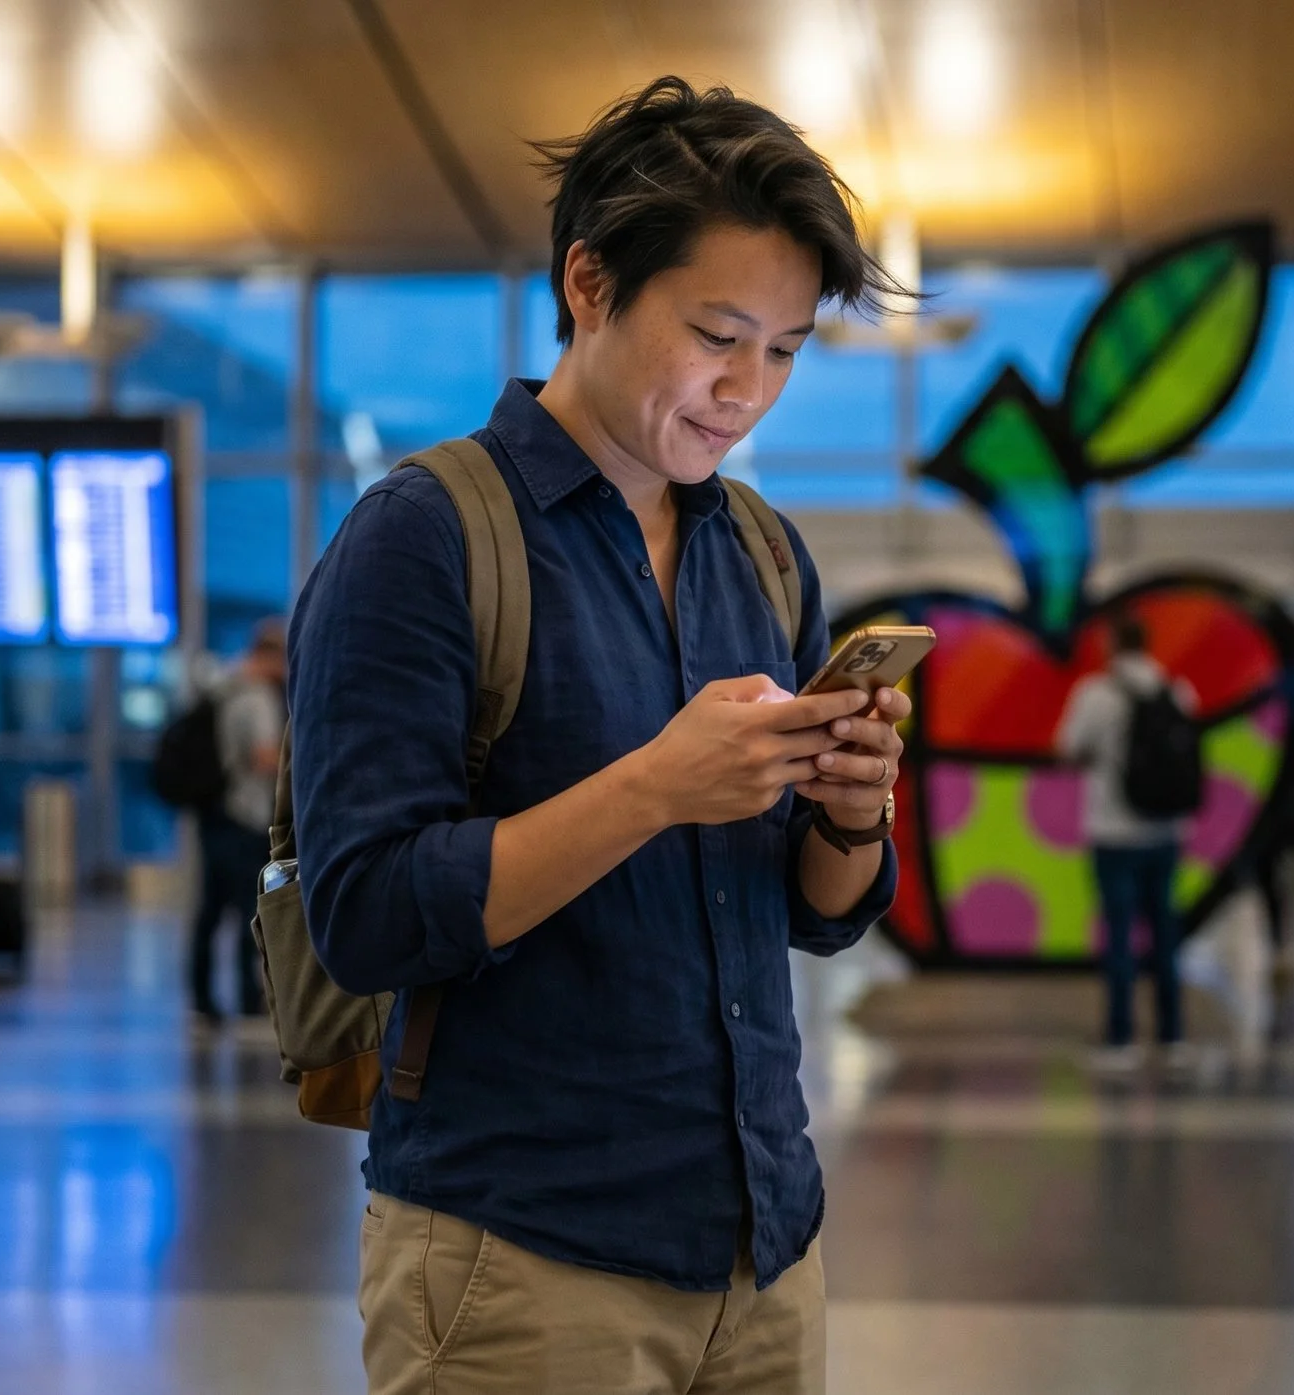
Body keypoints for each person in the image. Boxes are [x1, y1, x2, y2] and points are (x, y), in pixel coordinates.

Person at [288, 78, 903, 1395]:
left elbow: (813, 916)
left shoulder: (761, 553)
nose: (747, 391)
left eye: (785, 351)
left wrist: (853, 810)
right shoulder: (424, 537)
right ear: (589, 281)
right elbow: (367, 915)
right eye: (718, 335)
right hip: (521, 1261)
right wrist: (654, 788)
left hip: (763, 1250)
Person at [1058, 615, 1202, 1067]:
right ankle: (1172, 1036)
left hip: (1113, 831)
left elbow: (1067, 747)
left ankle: (1121, 1039)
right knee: (1165, 935)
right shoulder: (1178, 692)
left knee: (1119, 937)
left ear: (1113, 645)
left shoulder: (1096, 694)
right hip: (1166, 831)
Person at [188, 620, 285, 1023]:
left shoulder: (224, 687)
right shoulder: (256, 696)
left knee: (211, 908)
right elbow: (264, 756)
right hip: (244, 816)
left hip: (215, 811)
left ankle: (201, 995)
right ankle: (248, 996)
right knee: (251, 908)